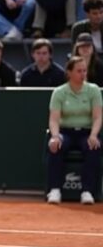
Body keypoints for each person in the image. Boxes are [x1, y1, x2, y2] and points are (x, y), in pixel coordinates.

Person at [46, 56, 101, 205]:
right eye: (79, 71)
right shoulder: (59, 92)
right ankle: (55, 189)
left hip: (86, 132)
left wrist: (94, 135)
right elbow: (54, 119)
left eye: (84, 70)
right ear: (69, 73)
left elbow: (97, 117)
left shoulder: (94, 90)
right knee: (56, 146)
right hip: (65, 132)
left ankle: (87, 191)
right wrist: (55, 136)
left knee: (93, 146)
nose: (83, 74)